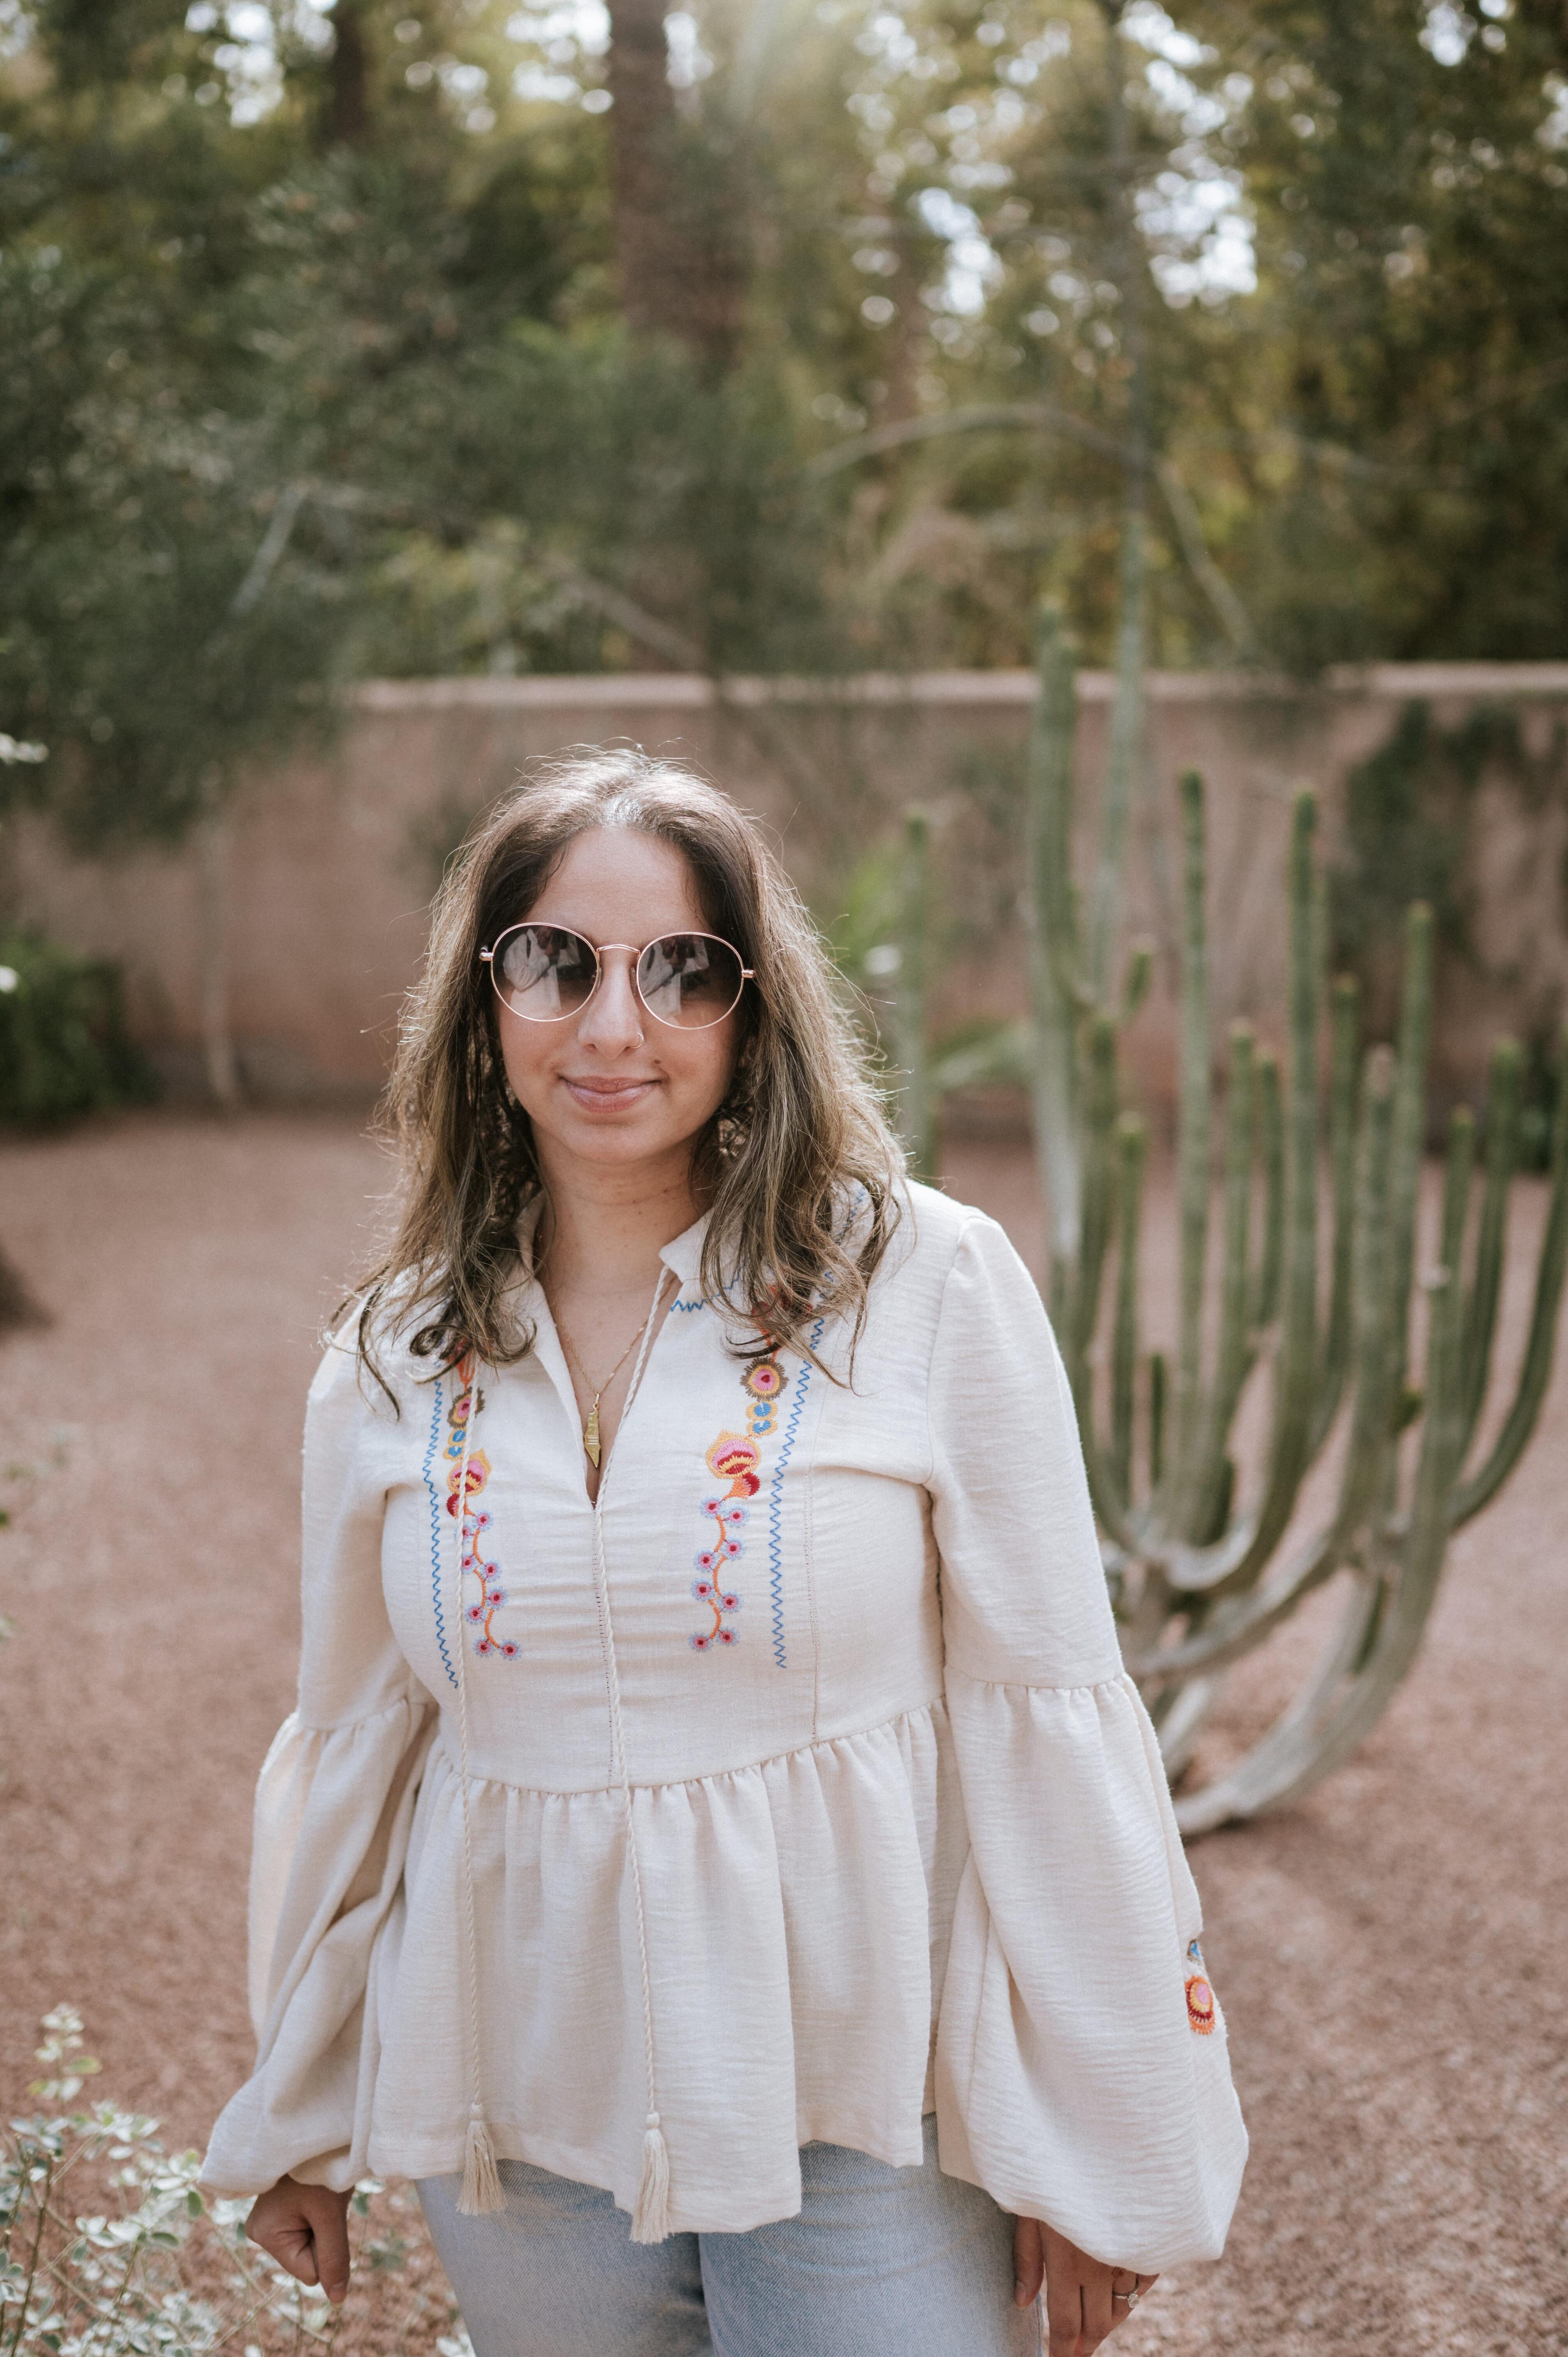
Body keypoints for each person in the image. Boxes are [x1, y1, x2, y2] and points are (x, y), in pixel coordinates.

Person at [202, 750, 1246, 2357]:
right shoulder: (392, 1353)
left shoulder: (924, 1286)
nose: (611, 1026)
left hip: (861, 2106)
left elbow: (1050, 1708)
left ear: (753, 1011)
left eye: (682, 970)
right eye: (554, 963)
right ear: (484, 1001)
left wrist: (1107, 2136)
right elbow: (357, 1745)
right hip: (524, 2129)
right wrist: (298, 2097)